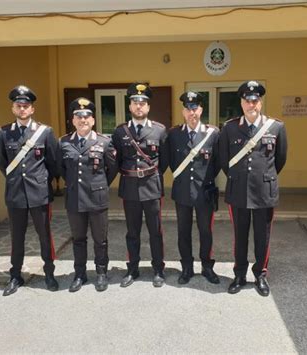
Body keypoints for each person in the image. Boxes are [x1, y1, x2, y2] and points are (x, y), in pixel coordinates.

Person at [219, 80, 287, 296]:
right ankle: (239, 275)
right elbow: (223, 159)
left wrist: (263, 177)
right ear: (241, 103)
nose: (251, 105)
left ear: (260, 102)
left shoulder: (276, 127)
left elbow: (280, 160)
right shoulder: (229, 127)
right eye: (247, 101)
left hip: (264, 192)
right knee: (240, 236)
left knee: (262, 236)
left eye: (255, 100)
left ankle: (260, 275)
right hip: (238, 190)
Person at [0, 85, 59, 296]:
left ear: (32, 109)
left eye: (26, 106)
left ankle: (49, 273)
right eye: (18, 105)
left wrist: (40, 182)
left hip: (39, 193)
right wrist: (17, 182)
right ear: (13, 108)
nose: (22, 109)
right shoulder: (4, 133)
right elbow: (3, 164)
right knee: (17, 237)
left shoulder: (45, 132)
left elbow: (53, 163)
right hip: (15, 195)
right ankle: (15, 276)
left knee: (44, 236)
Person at [111, 82, 169, 288]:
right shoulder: (120, 132)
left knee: (156, 232)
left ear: (148, 107)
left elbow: (165, 160)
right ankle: (132, 269)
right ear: (129, 106)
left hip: (152, 187)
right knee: (132, 232)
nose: (139, 106)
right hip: (129, 188)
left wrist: (151, 175)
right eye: (135, 102)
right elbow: (115, 161)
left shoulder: (160, 131)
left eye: (143, 103)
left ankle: (158, 270)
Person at [58, 98, 118, 292]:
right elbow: (61, 169)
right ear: (73, 120)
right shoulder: (64, 142)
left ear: (93, 120)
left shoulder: (104, 141)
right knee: (78, 239)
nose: (83, 120)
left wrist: (99, 185)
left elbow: (112, 168)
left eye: (86, 116)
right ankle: (80, 274)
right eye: (78, 116)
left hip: (97, 199)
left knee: (101, 239)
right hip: (75, 199)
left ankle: (101, 273)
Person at [167, 91, 221, 285]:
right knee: (183, 231)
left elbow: (218, 163)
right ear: (183, 111)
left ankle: (207, 267)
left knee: (206, 231)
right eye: (188, 109)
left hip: (204, 192)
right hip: (182, 191)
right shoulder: (174, 134)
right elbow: (172, 162)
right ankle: (187, 268)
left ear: (201, 110)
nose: (192, 113)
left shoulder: (213, 133)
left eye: (195, 108)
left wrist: (203, 181)